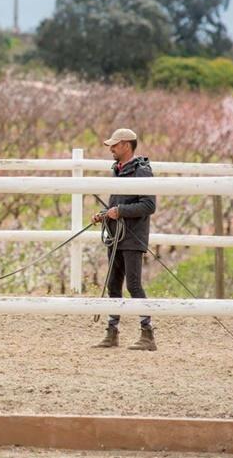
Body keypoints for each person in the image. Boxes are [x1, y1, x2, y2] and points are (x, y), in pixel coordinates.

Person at [90, 128, 157, 351]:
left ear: (127, 145)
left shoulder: (142, 172)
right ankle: (112, 331)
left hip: (133, 235)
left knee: (134, 284)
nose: (111, 149)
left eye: (115, 145)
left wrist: (120, 211)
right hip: (116, 235)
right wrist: (104, 214)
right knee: (113, 284)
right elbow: (116, 202)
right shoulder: (118, 171)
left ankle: (147, 333)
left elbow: (149, 205)